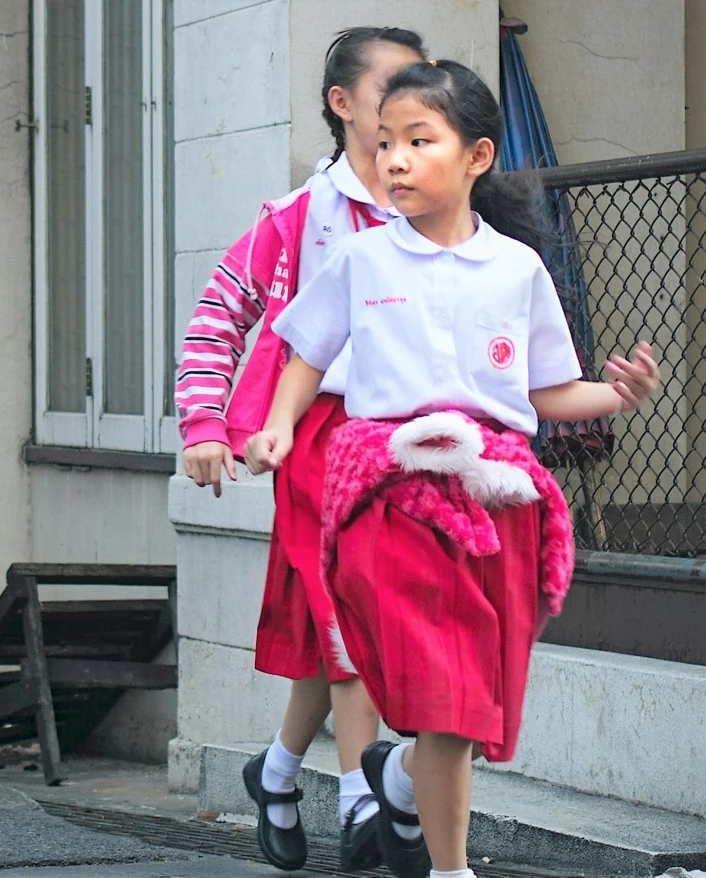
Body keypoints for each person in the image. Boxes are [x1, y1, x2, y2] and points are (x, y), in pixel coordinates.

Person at [247, 59, 662, 878]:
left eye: (418, 141)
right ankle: (447, 861)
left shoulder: (517, 269)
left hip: (496, 495)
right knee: (439, 689)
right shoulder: (363, 262)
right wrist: (277, 428)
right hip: (387, 492)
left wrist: (619, 397)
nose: (395, 159)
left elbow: (547, 389)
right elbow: (305, 352)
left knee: (467, 702)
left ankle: (402, 787)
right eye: (386, 142)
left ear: (474, 157)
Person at [174, 25, 425, 873]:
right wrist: (205, 424)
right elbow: (218, 316)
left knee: (342, 622)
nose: (404, 103)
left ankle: (276, 771)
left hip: (415, 444)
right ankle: (362, 799)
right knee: (352, 607)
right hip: (318, 436)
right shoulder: (297, 218)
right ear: (342, 103)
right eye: (388, 86)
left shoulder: (433, 206)